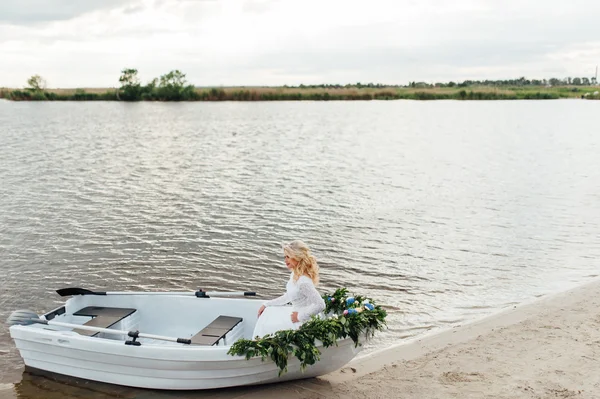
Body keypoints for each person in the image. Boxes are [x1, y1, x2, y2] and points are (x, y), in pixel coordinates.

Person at [253, 240, 326, 338]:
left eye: (288, 257)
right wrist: (267, 304)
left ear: (297, 257)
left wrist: (299, 316)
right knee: (268, 314)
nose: (285, 260)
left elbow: (320, 304)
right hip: (295, 312)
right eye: (285, 257)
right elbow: (289, 296)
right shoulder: (295, 274)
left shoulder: (303, 282)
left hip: (302, 321)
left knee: (266, 325)